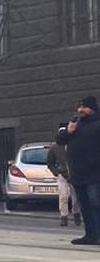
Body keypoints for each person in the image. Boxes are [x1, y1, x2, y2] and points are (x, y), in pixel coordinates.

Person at [57, 96, 100, 245]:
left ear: (92, 108)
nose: (80, 110)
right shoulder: (76, 124)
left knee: (96, 205)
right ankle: (90, 235)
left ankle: (98, 235)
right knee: (85, 207)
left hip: (95, 175)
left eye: (84, 107)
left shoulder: (97, 125)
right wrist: (69, 131)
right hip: (78, 174)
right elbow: (59, 141)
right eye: (79, 106)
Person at [50, 128, 78, 227]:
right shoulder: (55, 148)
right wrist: (56, 172)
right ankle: (64, 217)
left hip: (74, 174)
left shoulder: (73, 145)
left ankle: (76, 214)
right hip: (62, 175)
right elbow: (50, 163)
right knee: (63, 196)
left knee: (76, 198)